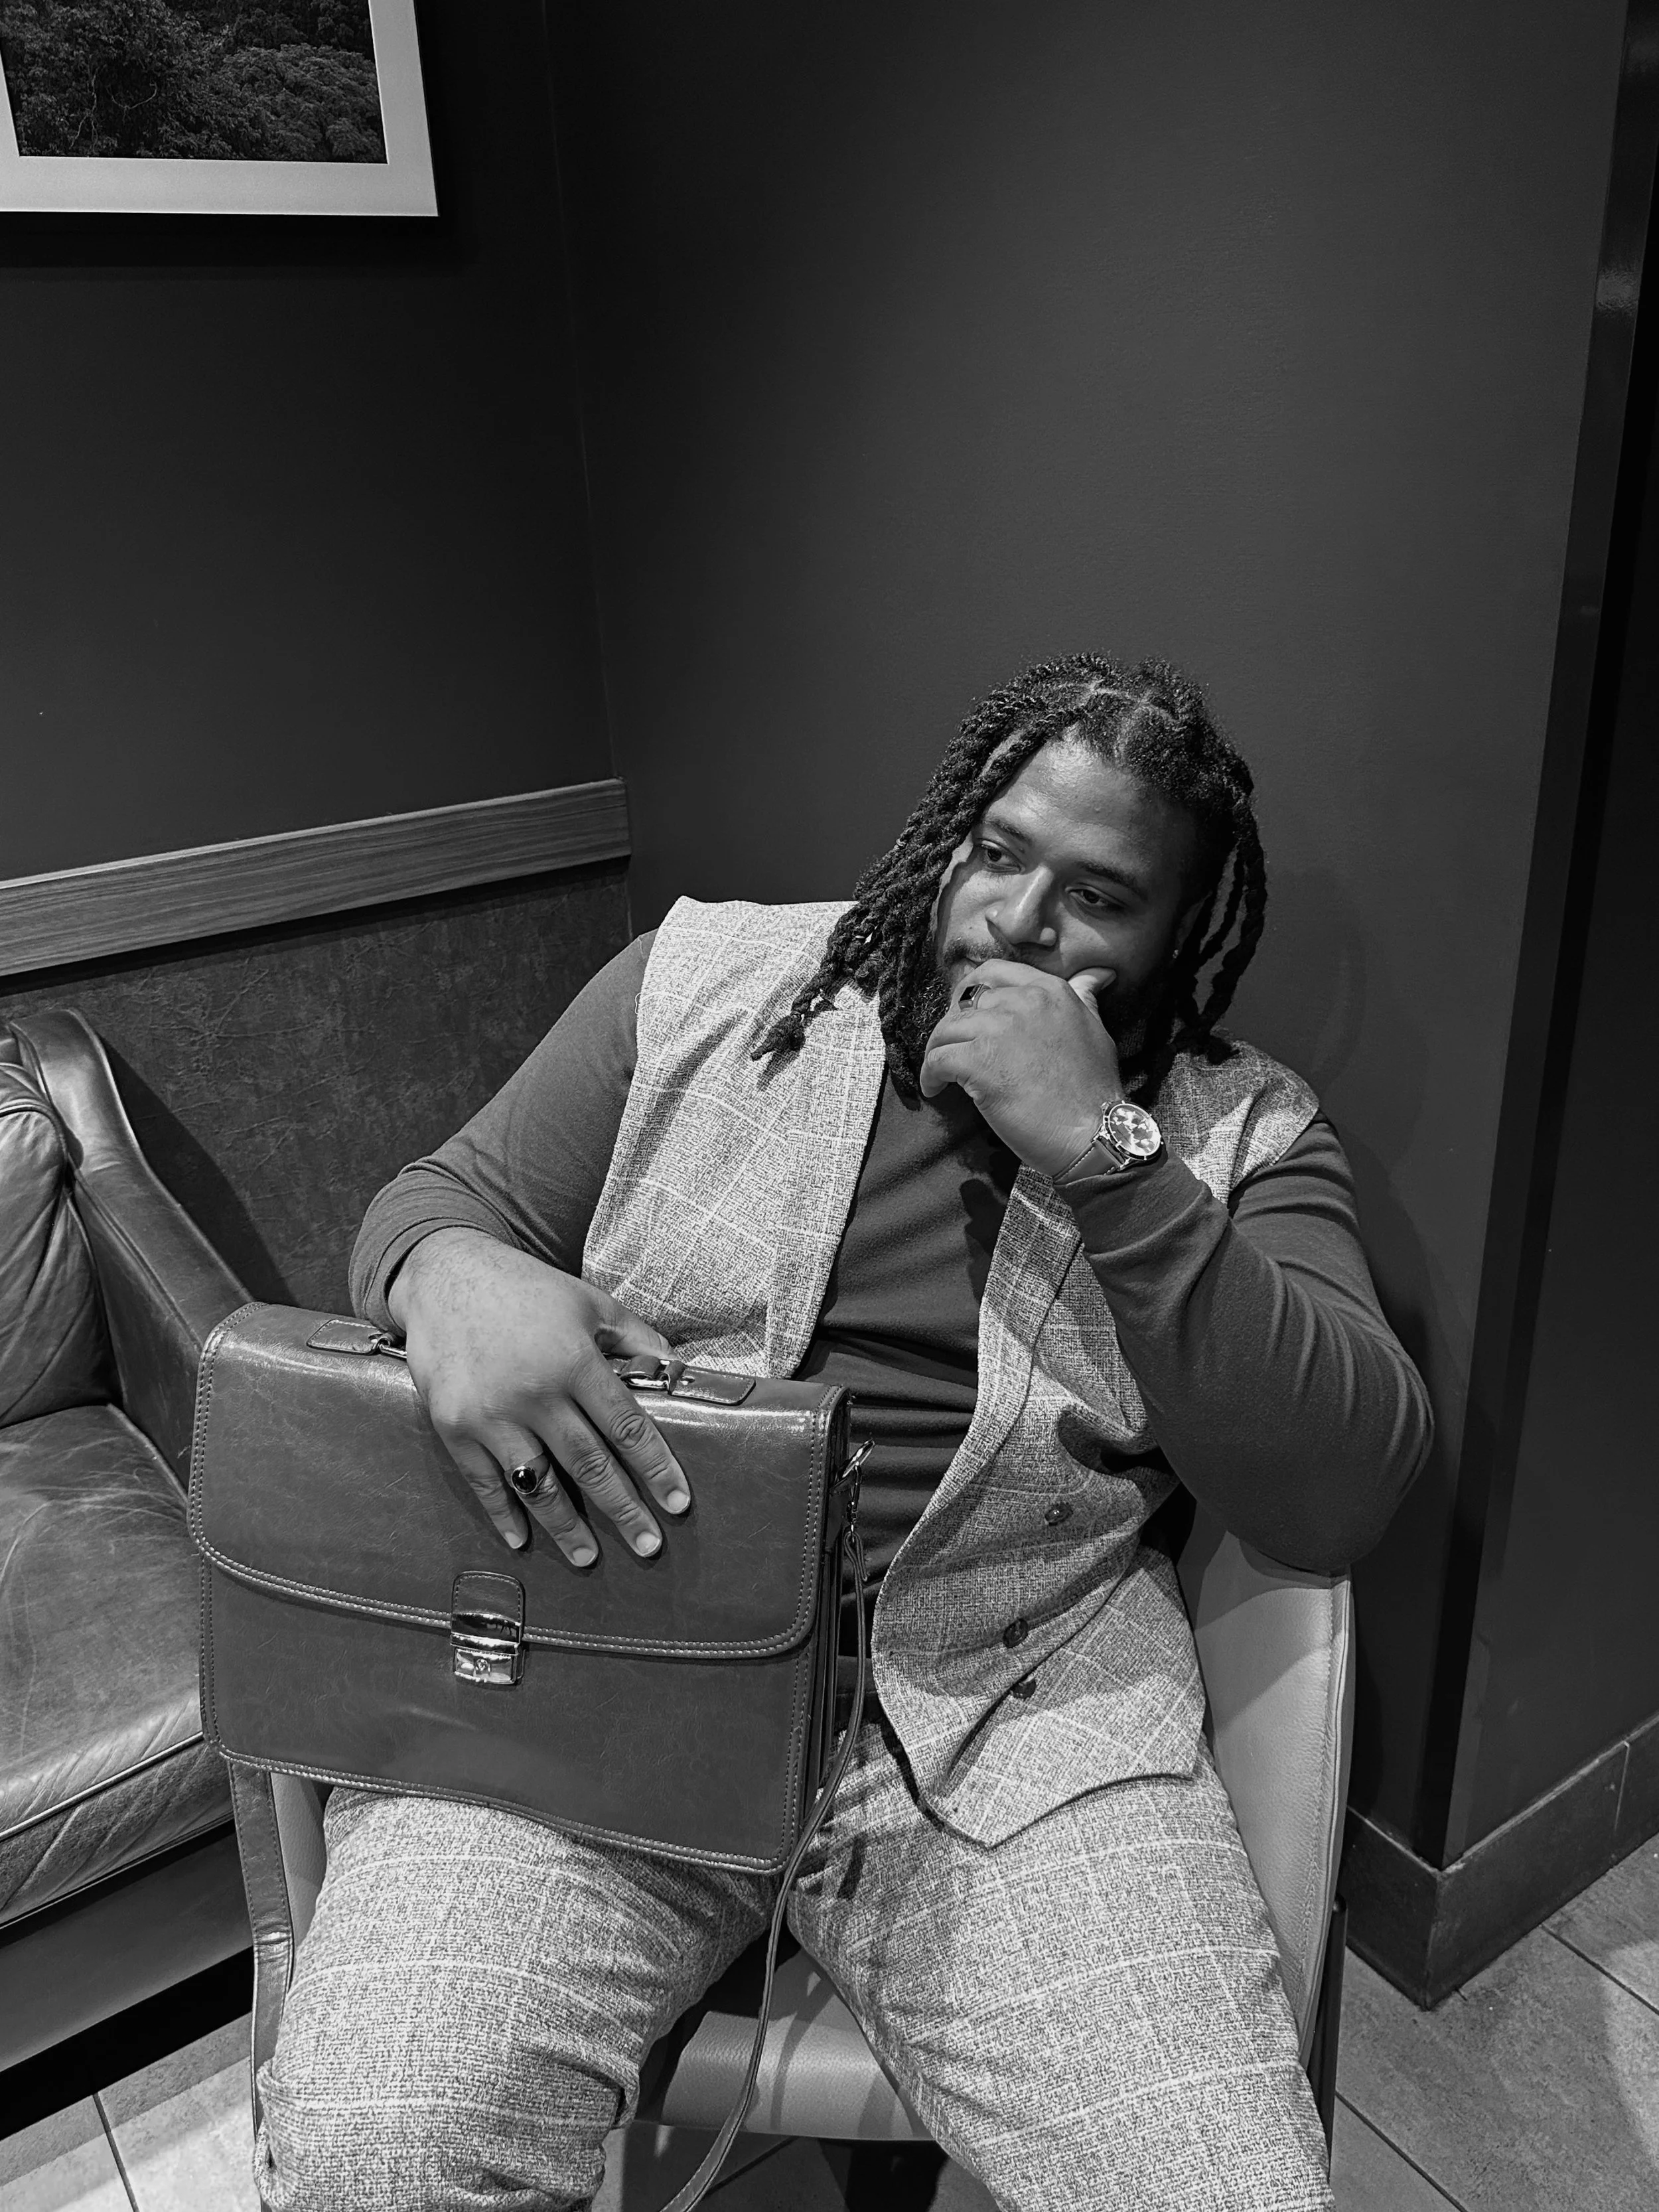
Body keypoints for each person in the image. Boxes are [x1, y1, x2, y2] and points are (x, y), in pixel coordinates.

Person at [256, 654, 1431, 2212]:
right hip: (613, 1667)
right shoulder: (698, 984)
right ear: (945, 829)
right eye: (999, 850)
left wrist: (1107, 1153)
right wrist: (452, 1271)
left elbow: (1341, 1483)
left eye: (1096, 897)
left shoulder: (1238, 1132)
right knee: (373, 2153)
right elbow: (435, 1198)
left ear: (1175, 937)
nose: (1014, 920)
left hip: (1010, 1716)